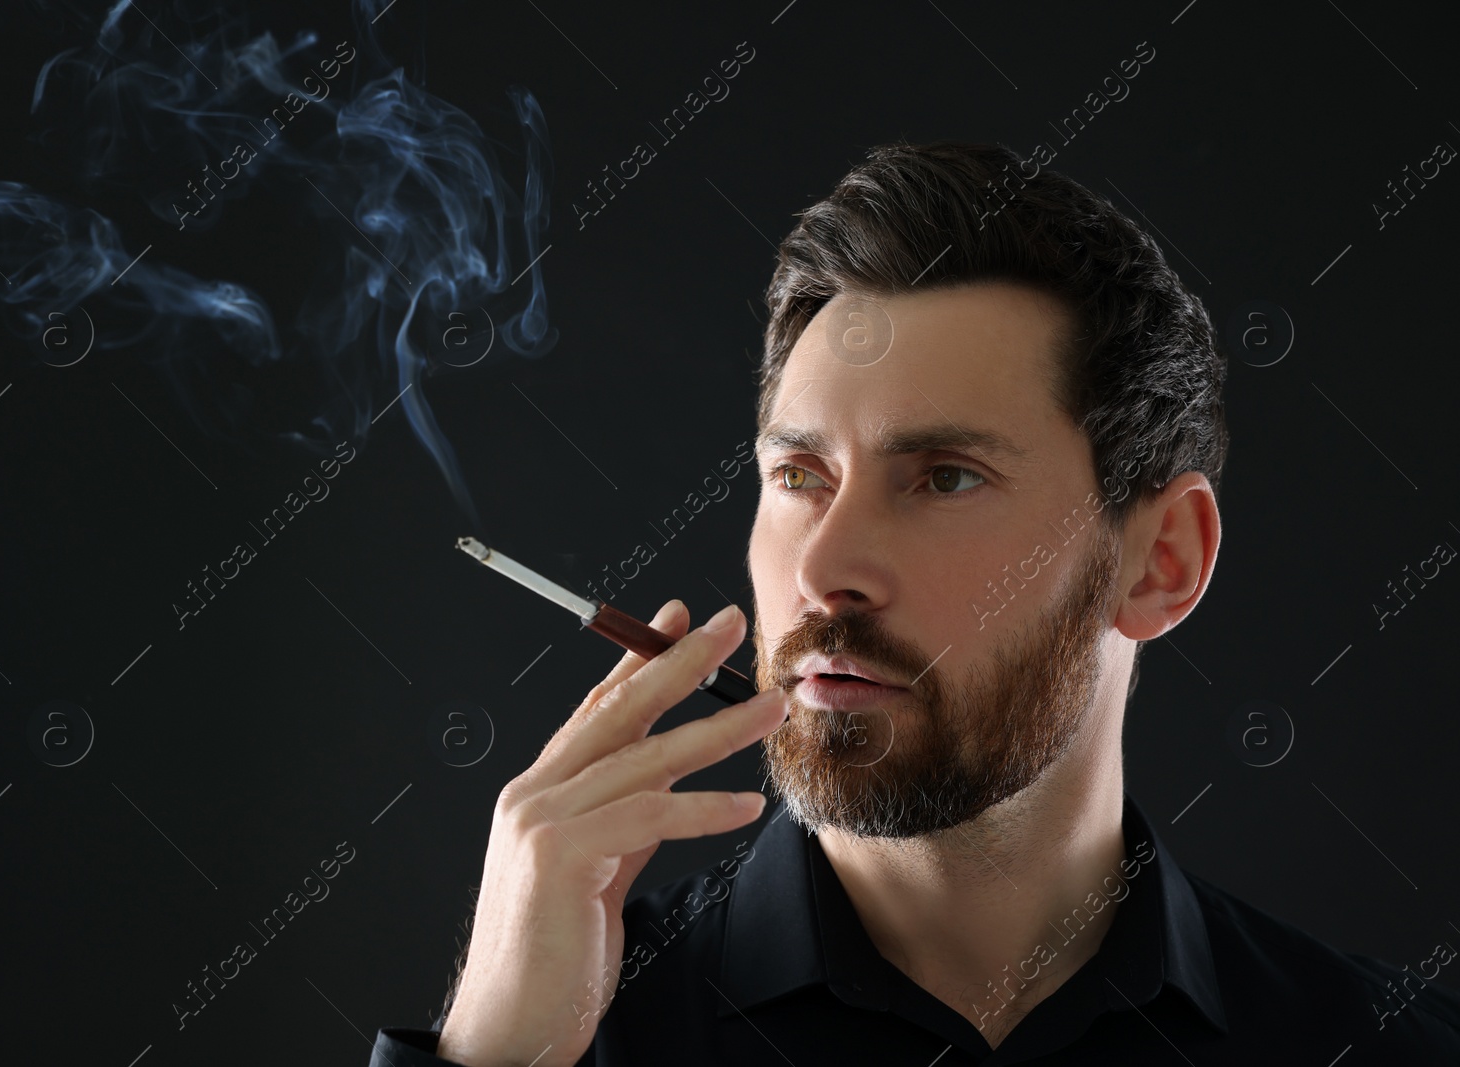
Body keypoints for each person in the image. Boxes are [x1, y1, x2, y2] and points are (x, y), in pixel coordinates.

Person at [369, 141, 1460, 1064]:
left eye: (942, 476)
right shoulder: (561, 1040)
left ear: (1159, 560)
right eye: (800, 478)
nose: (825, 567)